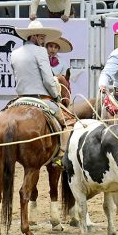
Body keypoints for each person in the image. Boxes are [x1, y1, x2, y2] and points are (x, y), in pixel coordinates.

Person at [11, 20, 72, 165]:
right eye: (42, 37)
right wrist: (56, 96)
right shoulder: (40, 51)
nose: (44, 41)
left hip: (20, 98)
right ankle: (62, 154)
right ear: (35, 36)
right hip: (41, 98)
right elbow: (47, 79)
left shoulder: (14, 53)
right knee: (69, 122)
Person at [45, 37, 73, 106]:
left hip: (58, 91)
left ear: (58, 49)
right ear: (47, 47)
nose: (53, 49)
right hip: (43, 89)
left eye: (56, 47)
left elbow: (65, 81)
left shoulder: (63, 63)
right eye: (51, 46)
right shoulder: (42, 60)